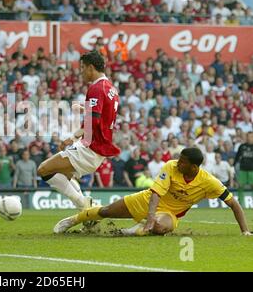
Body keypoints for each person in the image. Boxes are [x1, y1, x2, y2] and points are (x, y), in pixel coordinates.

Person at [54, 148, 252, 236]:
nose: (178, 161)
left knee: (160, 227)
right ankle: (74, 220)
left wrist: (244, 231)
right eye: (179, 158)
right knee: (105, 212)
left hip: (170, 213)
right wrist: (149, 216)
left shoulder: (210, 182)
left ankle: (133, 231)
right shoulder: (171, 166)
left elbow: (233, 204)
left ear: (194, 167)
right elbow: (156, 193)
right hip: (147, 200)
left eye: (183, 161)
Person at [37, 50, 120, 210]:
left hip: (90, 147)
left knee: (44, 170)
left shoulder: (95, 88)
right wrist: (85, 109)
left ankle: (85, 206)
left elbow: (93, 121)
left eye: (82, 68)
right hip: (100, 148)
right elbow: (103, 115)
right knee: (64, 175)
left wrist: (72, 138)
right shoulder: (111, 88)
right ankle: (86, 209)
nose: (81, 72)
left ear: (90, 68)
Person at [234, 132, 253, 207]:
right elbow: (237, 157)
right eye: (248, 136)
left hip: (252, 170)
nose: (249, 138)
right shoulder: (242, 146)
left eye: (251, 136)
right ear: (246, 137)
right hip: (243, 169)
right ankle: (239, 203)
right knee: (240, 186)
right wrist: (234, 165)